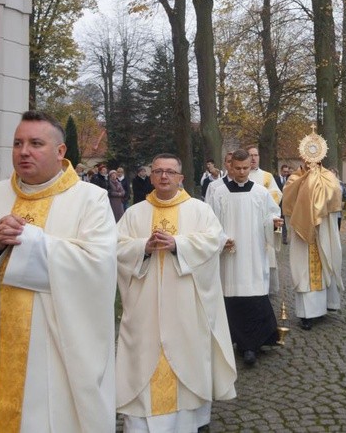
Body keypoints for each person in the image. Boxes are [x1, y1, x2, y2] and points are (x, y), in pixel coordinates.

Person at [0, 110, 117, 433]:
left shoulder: (91, 200)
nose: (23, 151)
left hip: (53, 342)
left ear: (61, 152)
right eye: (18, 143)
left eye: (36, 143)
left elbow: (98, 264)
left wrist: (30, 242)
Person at [115, 153, 237, 433]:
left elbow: (213, 241)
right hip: (145, 308)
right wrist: (142, 248)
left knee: (188, 355)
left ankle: (189, 421)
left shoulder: (199, 210)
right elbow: (116, 247)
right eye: (157, 171)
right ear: (151, 176)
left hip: (186, 307)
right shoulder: (135, 213)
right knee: (143, 357)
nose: (163, 177)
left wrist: (178, 244)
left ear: (181, 178)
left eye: (170, 172)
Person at [209, 149, 282, 366]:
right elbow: (210, 221)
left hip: (253, 254)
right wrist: (221, 239)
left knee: (254, 296)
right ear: (230, 167)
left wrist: (274, 223)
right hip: (229, 256)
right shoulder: (218, 192)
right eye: (237, 168)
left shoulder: (260, 192)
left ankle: (252, 345)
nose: (242, 172)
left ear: (251, 166)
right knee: (231, 298)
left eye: (246, 168)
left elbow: (270, 215)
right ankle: (231, 341)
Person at [282, 130, 343, 331]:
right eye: (306, 154)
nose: (310, 158)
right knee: (303, 268)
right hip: (302, 232)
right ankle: (307, 313)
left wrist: (317, 182)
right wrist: (307, 181)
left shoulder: (328, 176)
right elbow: (289, 198)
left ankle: (326, 305)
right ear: (301, 155)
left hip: (323, 228)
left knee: (326, 260)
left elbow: (334, 194)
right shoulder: (294, 178)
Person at [245, 145, 282, 293]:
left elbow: (276, 194)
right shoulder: (241, 174)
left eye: (256, 155)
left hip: (262, 222)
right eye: (250, 155)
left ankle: (265, 285)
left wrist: (262, 204)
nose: (253, 158)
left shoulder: (267, 176)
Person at [274, 164, 291, 244]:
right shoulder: (275, 179)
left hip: (287, 204)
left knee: (285, 222)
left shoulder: (290, 179)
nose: (286, 173)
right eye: (284, 171)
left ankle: (284, 238)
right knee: (278, 220)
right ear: (281, 171)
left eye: (287, 172)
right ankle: (276, 237)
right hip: (278, 203)